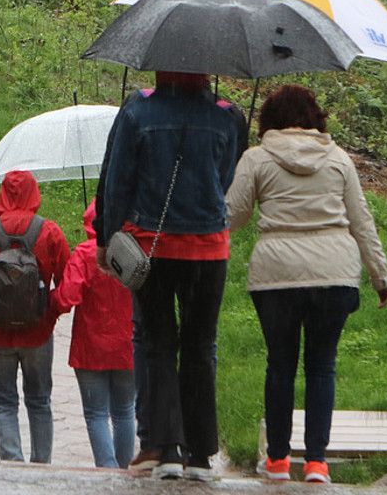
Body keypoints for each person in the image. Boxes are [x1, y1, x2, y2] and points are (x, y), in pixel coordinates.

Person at [224, 85, 387, 485]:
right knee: (322, 367)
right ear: (315, 118)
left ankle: (279, 462)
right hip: (334, 274)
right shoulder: (338, 160)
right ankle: (317, 462)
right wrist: (380, 276)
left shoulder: (257, 158)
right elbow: (361, 221)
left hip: (276, 276)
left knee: (280, 364)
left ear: (269, 119)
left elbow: (232, 217)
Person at [94, 71, 245, 481]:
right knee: (200, 345)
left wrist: (107, 236)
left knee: (157, 342)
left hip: (151, 245)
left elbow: (117, 176)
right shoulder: (229, 116)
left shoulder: (137, 111)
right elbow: (226, 176)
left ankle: (165, 449)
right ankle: (199, 454)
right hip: (209, 247)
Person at [0, 169, 70, 463]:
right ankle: (41, 465)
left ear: (3, 195)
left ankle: (12, 465)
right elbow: (69, 284)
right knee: (40, 401)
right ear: (35, 194)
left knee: (4, 402)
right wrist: (51, 312)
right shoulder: (50, 233)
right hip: (38, 334)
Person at [51, 198, 135, 468]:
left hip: (91, 348)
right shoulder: (135, 252)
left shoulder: (85, 254)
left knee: (96, 413)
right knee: (124, 412)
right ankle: (122, 472)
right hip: (128, 344)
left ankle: (107, 471)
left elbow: (65, 299)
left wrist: (46, 298)